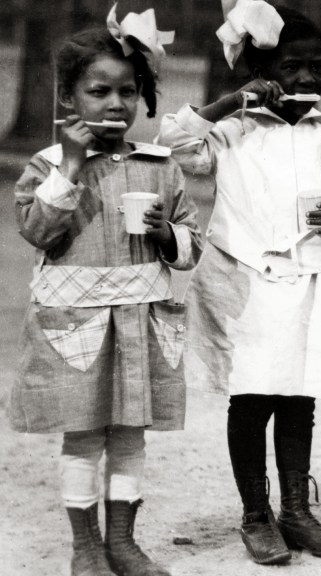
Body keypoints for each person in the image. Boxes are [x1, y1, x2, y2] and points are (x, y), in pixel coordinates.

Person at [157, 2, 321, 565]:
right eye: (290, 66)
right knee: (252, 399)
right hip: (245, 279)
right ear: (259, 72)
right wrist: (231, 102)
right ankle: (255, 513)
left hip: (311, 279)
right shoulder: (232, 129)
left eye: (313, 66)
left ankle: (297, 510)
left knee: (299, 397)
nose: (304, 78)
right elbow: (174, 142)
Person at [7, 6, 200, 575]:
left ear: (142, 97)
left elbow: (191, 244)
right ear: (69, 98)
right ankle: (85, 545)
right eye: (98, 91)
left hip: (141, 321)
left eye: (127, 91)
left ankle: (123, 541)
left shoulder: (160, 168)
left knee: (130, 434)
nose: (114, 104)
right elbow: (37, 231)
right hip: (77, 328)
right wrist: (69, 165)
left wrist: (168, 231)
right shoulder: (47, 164)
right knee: (85, 435)